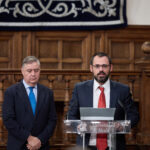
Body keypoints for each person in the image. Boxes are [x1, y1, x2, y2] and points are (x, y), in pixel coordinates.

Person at [68, 52, 139, 150]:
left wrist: (121, 126)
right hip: (86, 146)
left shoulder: (122, 90)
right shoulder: (80, 89)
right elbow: (71, 116)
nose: (101, 69)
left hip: (114, 146)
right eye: (97, 66)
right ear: (91, 68)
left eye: (104, 66)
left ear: (111, 68)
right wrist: (79, 126)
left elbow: (134, 116)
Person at [2, 56, 57, 150]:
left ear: (40, 71)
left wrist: (40, 140)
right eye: (29, 70)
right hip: (18, 145)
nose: (33, 74)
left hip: (41, 146)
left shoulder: (48, 93)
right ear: (22, 71)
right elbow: (8, 119)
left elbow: (52, 120)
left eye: (36, 70)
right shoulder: (11, 92)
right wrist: (29, 138)